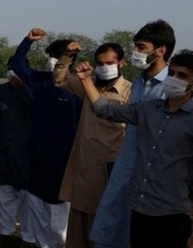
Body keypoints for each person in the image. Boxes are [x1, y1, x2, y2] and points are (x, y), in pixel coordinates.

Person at [75, 49, 193, 248]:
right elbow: (106, 110)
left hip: (172, 213)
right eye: (172, 73)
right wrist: (86, 80)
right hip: (139, 209)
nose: (174, 79)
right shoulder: (149, 109)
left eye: (182, 76)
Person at [90, 19, 175, 248]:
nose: (136, 52)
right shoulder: (139, 83)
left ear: (161, 51)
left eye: (141, 47)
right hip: (127, 162)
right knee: (113, 224)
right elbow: (109, 111)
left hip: (156, 173)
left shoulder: (172, 86)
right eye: (135, 46)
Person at [53, 42, 131, 248]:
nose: (104, 66)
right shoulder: (88, 85)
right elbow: (59, 79)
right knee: (79, 226)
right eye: (100, 63)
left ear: (121, 63)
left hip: (111, 168)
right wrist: (68, 56)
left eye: (110, 62)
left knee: (105, 224)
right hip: (84, 164)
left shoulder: (130, 92)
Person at [10, 28, 82, 248]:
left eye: (58, 58)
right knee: (37, 204)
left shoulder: (78, 87)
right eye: (51, 57)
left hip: (66, 158)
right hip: (39, 154)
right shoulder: (40, 80)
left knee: (61, 211)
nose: (53, 62)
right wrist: (27, 41)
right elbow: (17, 66)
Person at [0, 60, 35, 247]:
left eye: (17, 69)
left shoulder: (33, 91)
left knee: (27, 197)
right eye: (10, 69)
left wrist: (22, 88)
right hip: (2, 151)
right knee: (1, 194)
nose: (13, 73)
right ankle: (5, 233)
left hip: (26, 152)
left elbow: (35, 110)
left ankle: (28, 238)